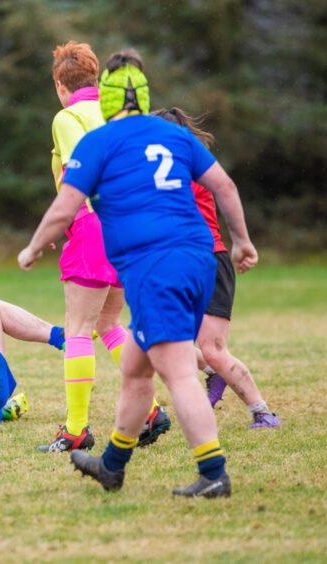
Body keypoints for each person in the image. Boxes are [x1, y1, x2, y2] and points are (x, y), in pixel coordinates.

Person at [18, 50, 258, 498]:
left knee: (179, 373)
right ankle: (112, 465)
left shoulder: (101, 141)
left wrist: (32, 248)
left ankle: (214, 472)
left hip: (157, 267)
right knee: (133, 366)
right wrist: (243, 241)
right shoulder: (174, 134)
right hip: (199, 258)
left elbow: (66, 206)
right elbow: (224, 185)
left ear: (107, 100)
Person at [39, 41, 168, 453]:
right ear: (96, 79)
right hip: (131, 226)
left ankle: (75, 429)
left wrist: (65, 220)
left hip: (94, 222)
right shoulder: (120, 113)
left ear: (61, 84)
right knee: (108, 324)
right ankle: (150, 412)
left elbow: (83, 170)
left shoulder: (68, 115)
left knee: (77, 328)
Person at [153, 107, 280, 429]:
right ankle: (213, 373)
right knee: (161, 341)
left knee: (213, 348)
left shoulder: (176, 172)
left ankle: (263, 412)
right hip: (184, 262)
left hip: (208, 261)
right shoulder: (186, 165)